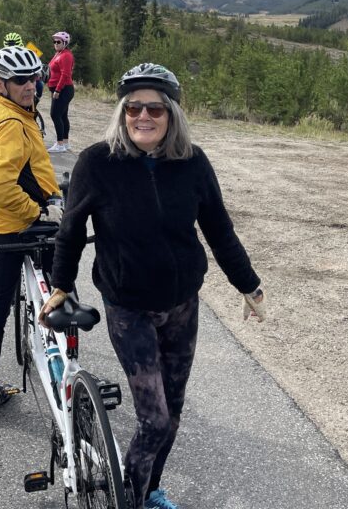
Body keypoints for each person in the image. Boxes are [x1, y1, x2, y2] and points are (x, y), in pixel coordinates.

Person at [42, 63, 267, 509]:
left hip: (182, 304)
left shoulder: (193, 163)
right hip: (129, 306)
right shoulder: (97, 163)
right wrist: (61, 285)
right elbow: (70, 230)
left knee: (174, 416)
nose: (143, 116)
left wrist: (249, 285)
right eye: (133, 107)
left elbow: (219, 229)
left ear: (172, 115)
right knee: (154, 420)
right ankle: (132, 497)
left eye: (155, 108)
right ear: (123, 112)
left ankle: (150, 489)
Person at [0, 45, 64, 420]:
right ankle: (65, 358)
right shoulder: (11, 124)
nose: (31, 86)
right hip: (16, 222)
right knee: (61, 281)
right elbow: (1, 185)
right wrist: (38, 210)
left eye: (35, 78)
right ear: (0, 83)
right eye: (21, 80)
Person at [47, 31, 74, 152]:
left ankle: (60, 144)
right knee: (62, 116)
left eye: (59, 42)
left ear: (65, 43)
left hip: (63, 89)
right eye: (55, 41)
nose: (56, 44)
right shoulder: (58, 54)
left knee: (55, 114)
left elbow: (65, 74)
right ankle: (65, 142)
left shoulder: (66, 55)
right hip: (60, 89)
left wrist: (57, 90)